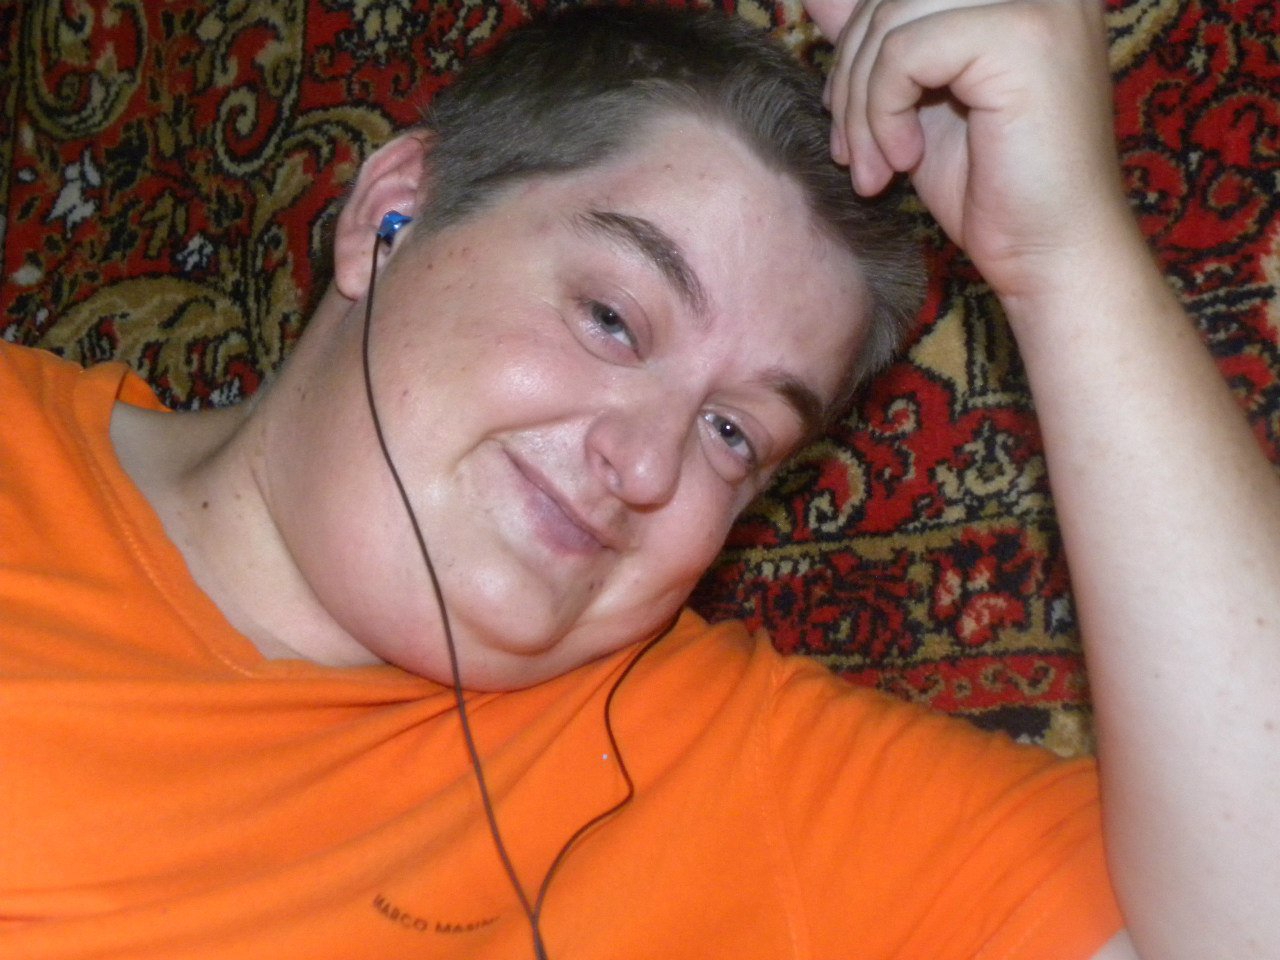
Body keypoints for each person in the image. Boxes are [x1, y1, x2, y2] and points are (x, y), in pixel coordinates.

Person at [0, 3, 1274, 960]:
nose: (647, 465)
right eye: (612, 317)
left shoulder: (717, 760)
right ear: (390, 215)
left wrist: (1064, 256)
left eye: (731, 435)